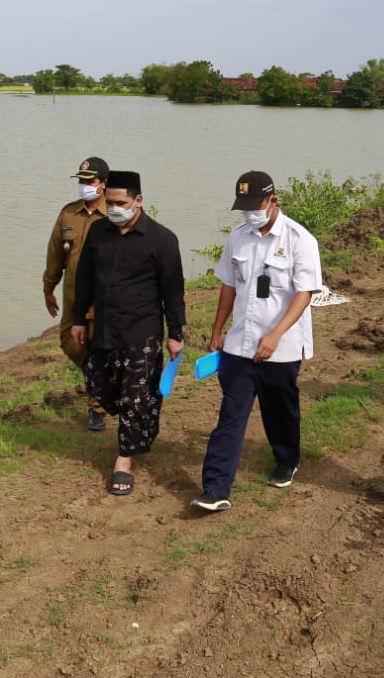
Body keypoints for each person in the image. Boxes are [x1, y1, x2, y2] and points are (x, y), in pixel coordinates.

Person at [191, 171, 322, 513]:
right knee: (231, 416)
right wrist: (217, 329)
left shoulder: (299, 239)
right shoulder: (238, 238)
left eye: (256, 205)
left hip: (282, 346)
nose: (250, 213)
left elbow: (305, 293)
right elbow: (228, 286)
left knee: (280, 411)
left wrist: (276, 334)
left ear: (272, 201)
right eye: (244, 206)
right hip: (240, 344)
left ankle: (286, 458)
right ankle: (216, 488)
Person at [72, 170, 186, 496]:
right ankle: (140, 423)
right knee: (100, 384)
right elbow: (84, 278)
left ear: (138, 201)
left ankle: (124, 459)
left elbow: (173, 292)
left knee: (136, 395)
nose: (113, 208)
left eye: (120, 202)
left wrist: (175, 333)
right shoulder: (98, 233)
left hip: (142, 331)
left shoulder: (162, 240)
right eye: (109, 202)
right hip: (105, 329)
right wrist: (79, 317)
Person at [44, 157, 111, 430]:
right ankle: (101, 378)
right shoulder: (68, 214)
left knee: (98, 348)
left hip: (102, 299)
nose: (84, 185)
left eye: (90, 181)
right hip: (73, 298)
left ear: (103, 184)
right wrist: (49, 288)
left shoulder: (115, 214)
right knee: (69, 344)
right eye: (81, 181)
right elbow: (55, 255)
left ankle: (97, 407)